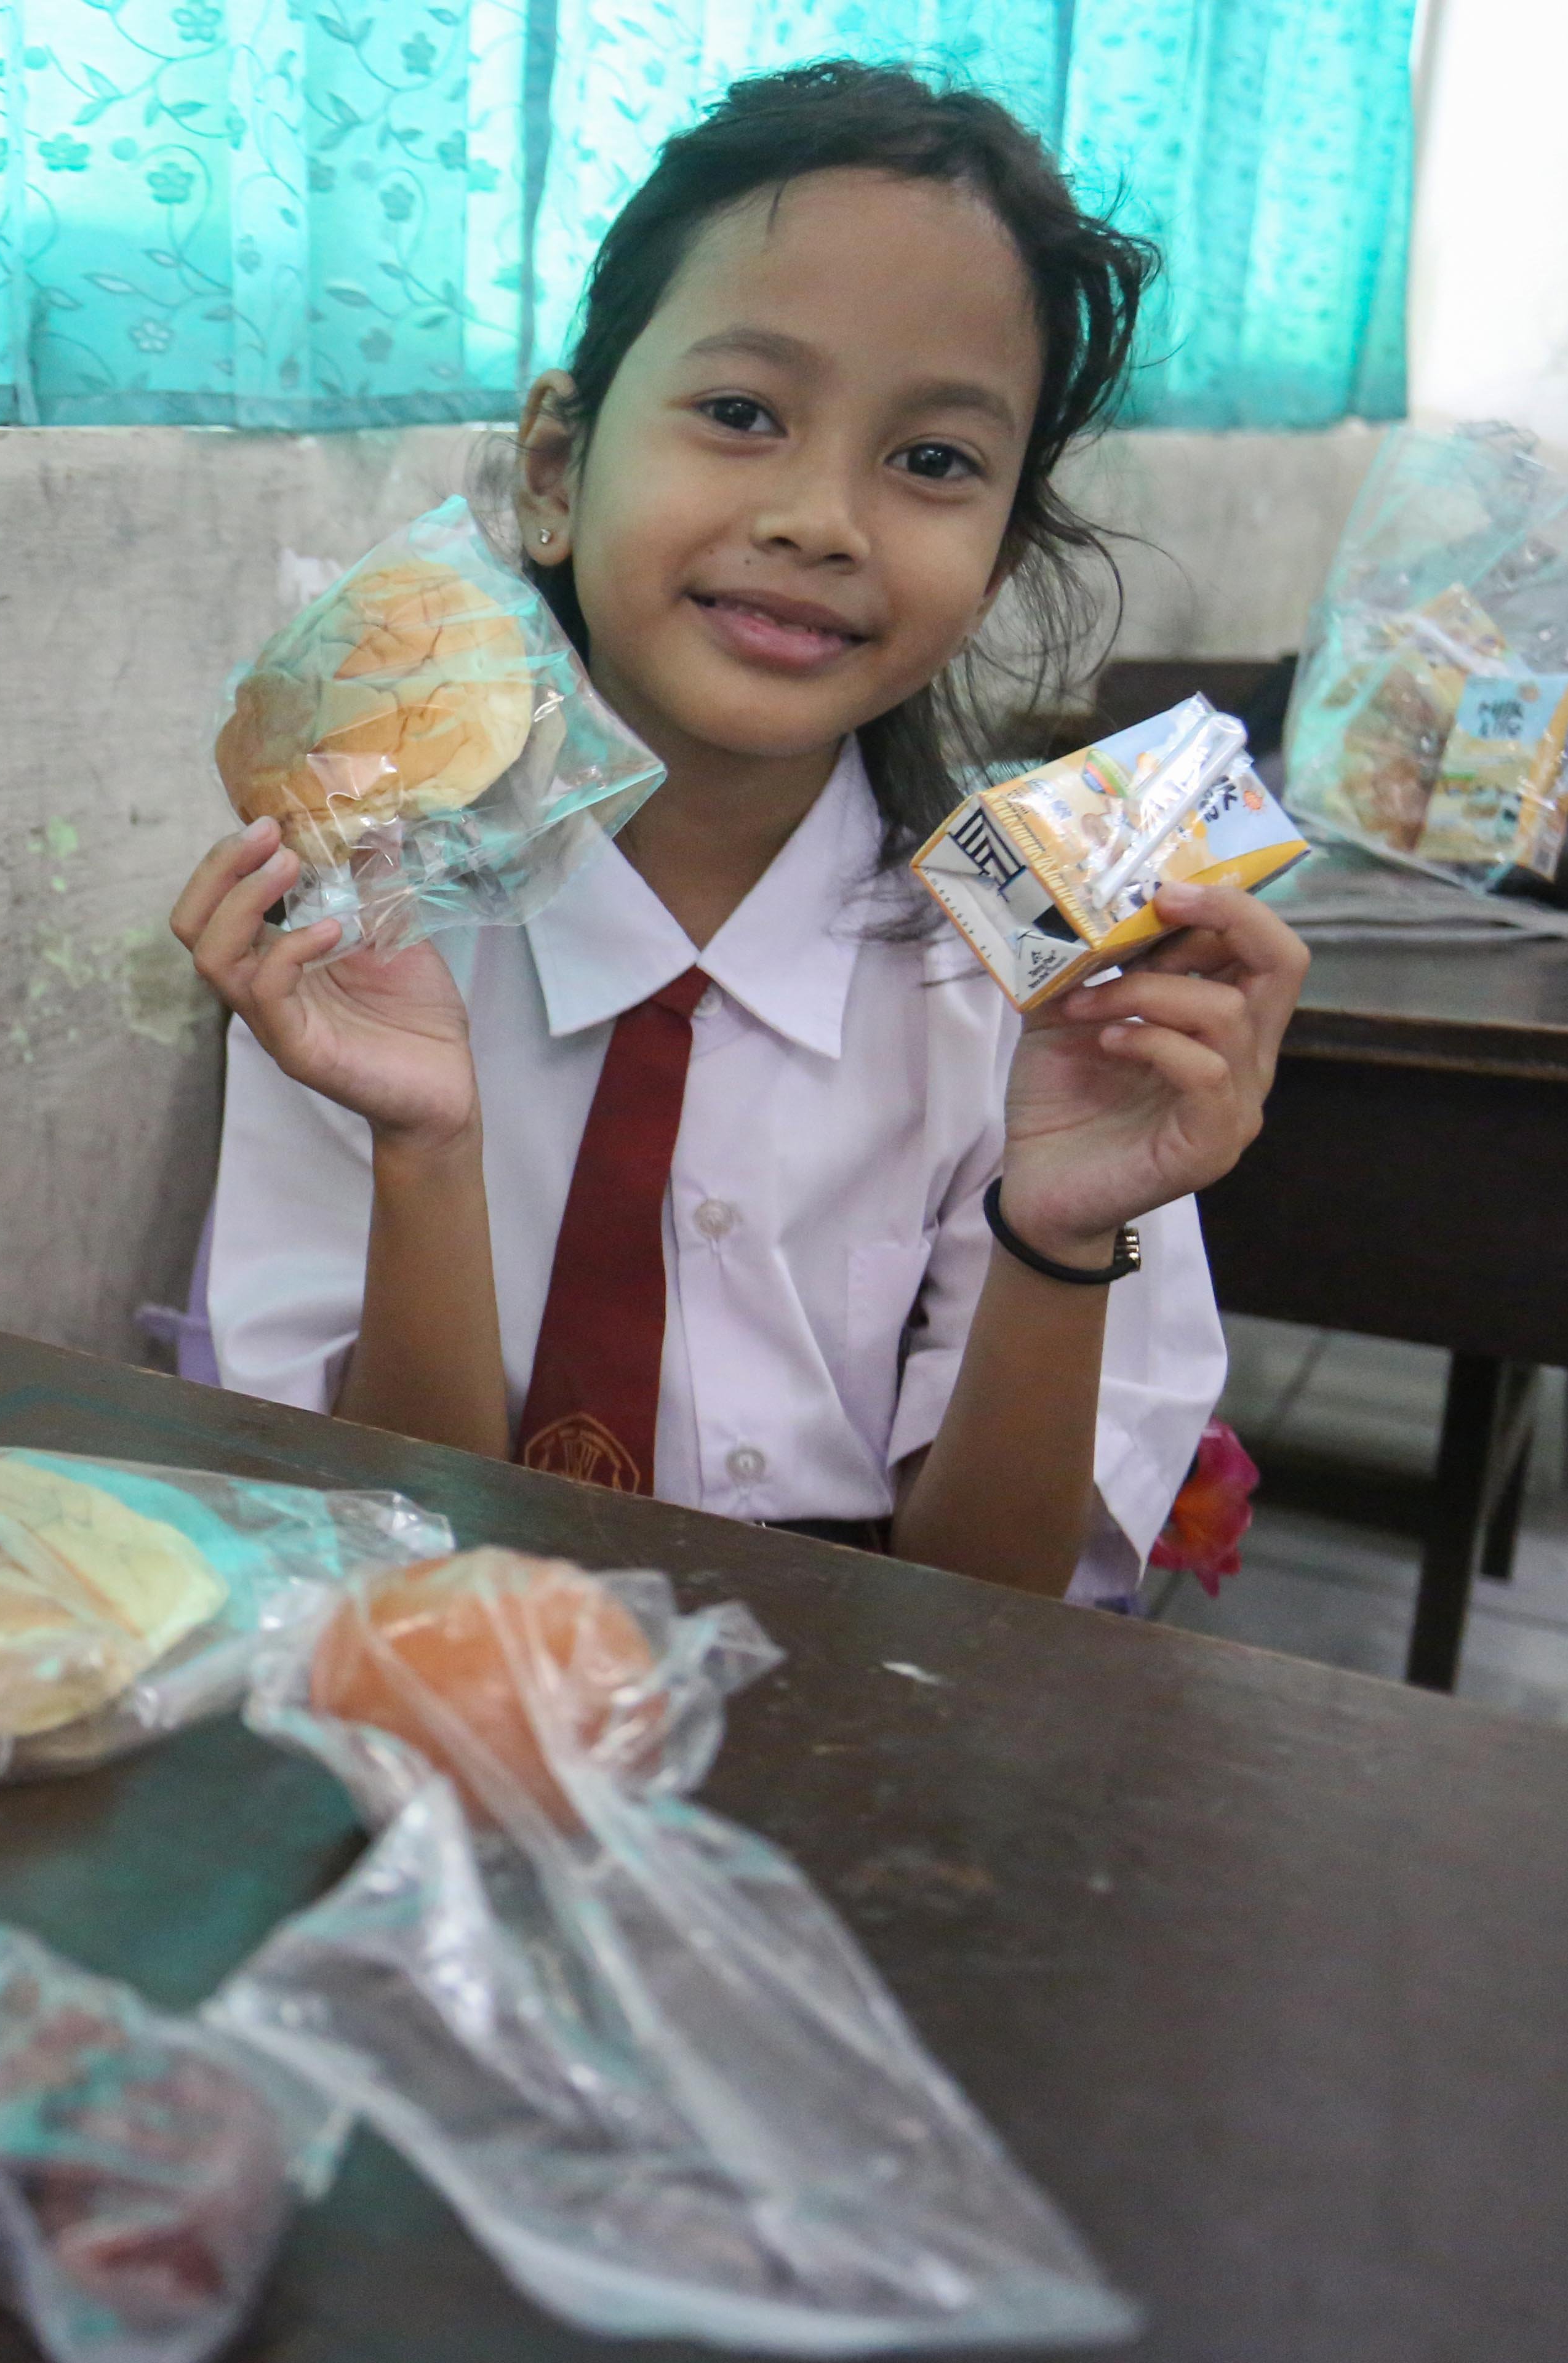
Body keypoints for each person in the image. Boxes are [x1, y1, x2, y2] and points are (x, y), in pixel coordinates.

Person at [172, 62, 1308, 1604]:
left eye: (931, 461)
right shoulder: (361, 936)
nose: (819, 519)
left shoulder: (1033, 995)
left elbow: (1000, 1614)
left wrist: (1055, 1240)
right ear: (557, 469)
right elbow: (370, 1559)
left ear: (995, 554)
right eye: (738, 412)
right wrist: (425, 1152)